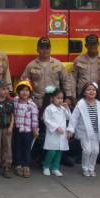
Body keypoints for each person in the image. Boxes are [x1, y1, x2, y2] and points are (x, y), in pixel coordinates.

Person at [21, 37, 73, 166]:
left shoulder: (57, 64)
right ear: (37, 49)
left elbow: (66, 80)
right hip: (38, 104)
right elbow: (24, 82)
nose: (45, 50)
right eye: (42, 48)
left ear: (50, 49)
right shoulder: (31, 65)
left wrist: (69, 97)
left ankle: (63, 157)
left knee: (60, 130)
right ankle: (39, 156)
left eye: (47, 48)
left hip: (56, 104)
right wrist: (26, 98)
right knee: (40, 131)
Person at [67, 82, 100, 177]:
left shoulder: (99, 104)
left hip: (96, 132)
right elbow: (74, 118)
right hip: (85, 132)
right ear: (84, 93)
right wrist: (71, 129)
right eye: (88, 90)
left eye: (93, 90)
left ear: (96, 92)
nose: (91, 91)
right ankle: (85, 168)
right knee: (87, 150)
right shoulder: (81, 104)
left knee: (95, 151)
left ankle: (91, 168)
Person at [70, 34, 100, 166]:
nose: (92, 46)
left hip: (98, 96)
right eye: (90, 44)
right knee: (82, 125)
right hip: (82, 95)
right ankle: (82, 153)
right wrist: (73, 97)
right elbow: (73, 79)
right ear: (86, 45)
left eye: (95, 44)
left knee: (99, 125)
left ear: (98, 44)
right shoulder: (78, 60)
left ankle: (99, 154)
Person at [41, 87, 71, 177]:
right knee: (52, 151)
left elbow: (69, 118)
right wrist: (56, 127)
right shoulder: (49, 109)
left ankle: (55, 168)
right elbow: (46, 120)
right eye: (58, 98)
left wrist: (67, 109)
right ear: (52, 98)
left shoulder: (62, 108)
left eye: (62, 98)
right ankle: (46, 166)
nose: (60, 100)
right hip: (53, 134)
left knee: (59, 152)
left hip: (62, 134)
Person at [13, 80, 39, 178]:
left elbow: (35, 119)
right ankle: (18, 166)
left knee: (27, 149)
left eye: (27, 90)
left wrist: (35, 130)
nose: (25, 92)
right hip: (17, 130)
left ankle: (26, 166)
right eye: (22, 90)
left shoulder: (32, 105)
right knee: (18, 148)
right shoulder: (15, 101)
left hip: (28, 131)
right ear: (18, 92)